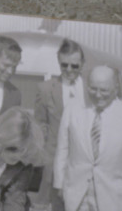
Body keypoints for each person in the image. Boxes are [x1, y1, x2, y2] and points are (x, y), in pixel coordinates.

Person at [55, 65, 122, 211]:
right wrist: (59, 184)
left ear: (116, 88)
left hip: (114, 200)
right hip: (77, 196)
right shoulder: (72, 109)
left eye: (104, 90)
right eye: (93, 88)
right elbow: (62, 149)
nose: (98, 95)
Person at [38, 41, 91, 211]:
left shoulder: (92, 90)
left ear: (82, 63)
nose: (69, 70)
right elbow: (40, 124)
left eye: (74, 66)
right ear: (58, 61)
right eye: (64, 65)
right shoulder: (45, 89)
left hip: (86, 161)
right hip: (56, 162)